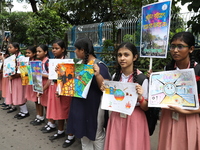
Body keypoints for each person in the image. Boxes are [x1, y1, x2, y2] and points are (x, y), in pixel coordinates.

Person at [97, 42, 150, 150]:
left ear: (134, 57)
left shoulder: (142, 79)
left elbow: (146, 107)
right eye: (119, 55)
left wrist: (140, 97)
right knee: (116, 144)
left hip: (135, 119)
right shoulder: (115, 76)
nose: (122, 58)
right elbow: (112, 99)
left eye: (126, 55)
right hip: (116, 117)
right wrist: (106, 91)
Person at [65, 37, 111, 149]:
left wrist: (98, 74)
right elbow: (72, 84)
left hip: (94, 106)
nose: (75, 51)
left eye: (76, 49)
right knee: (83, 133)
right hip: (80, 105)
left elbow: (106, 88)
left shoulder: (100, 66)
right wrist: (62, 75)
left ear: (83, 50)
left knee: (96, 134)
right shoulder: (79, 64)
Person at [157, 32, 200, 150]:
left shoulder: (198, 70)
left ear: (191, 49)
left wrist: (185, 111)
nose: (175, 50)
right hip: (168, 116)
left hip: (189, 118)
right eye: (172, 46)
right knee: (166, 145)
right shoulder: (167, 69)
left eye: (180, 46)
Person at [41, 40, 73, 143]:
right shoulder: (52, 61)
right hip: (53, 89)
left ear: (63, 49)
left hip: (64, 91)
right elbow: (50, 78)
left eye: (57, 48)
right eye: (53, 48)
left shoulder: (68, 62)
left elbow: (69, 80)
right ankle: (60, 131)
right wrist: (42, 89)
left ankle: (70, 136)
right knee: (59, 112)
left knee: (66, 112)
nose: (54, 50)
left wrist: (62, 89)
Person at [6, 42, 30, 119]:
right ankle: (22, 111)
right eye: (8, 47)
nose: (9, 49)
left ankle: (25, 111)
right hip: (14, 79)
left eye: (10, 47)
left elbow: (24, 71)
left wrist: (14, 76)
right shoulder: (11, 57)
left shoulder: (21, 57)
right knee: (16, 94)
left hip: (19, 79)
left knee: (20, 94)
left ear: (16, 48)